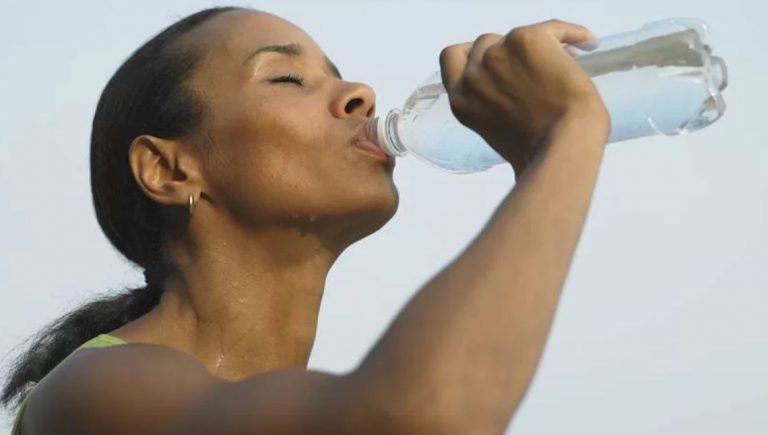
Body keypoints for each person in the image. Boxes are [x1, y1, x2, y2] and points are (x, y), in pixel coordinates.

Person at [1, 6, 610, 435]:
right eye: (287, 77)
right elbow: (426, 416)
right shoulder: (95, 390)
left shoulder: (308, 405)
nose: (360, 93)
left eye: (337, 73)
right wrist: (567, 137)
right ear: (168, 170)